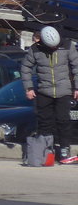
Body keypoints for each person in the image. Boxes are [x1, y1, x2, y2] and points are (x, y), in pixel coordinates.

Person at [21, 26, 78, 165]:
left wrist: (77, 87)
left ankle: (64, 150)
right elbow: (26, 68)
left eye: (56, 46)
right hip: (44, 90)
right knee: (45, 122)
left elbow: (76, 66)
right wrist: (28, 88)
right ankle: (46, 151)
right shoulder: (35, 49)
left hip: (63, 90)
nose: (54, 48)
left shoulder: (67, 46)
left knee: (63, 121)